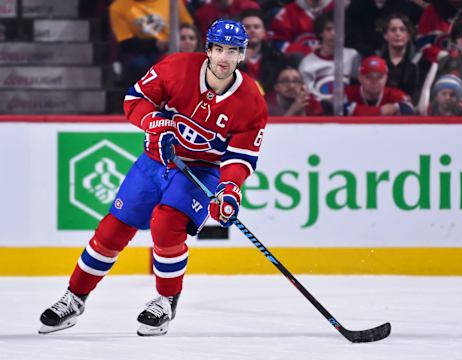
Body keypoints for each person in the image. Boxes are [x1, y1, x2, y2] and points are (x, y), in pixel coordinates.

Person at [39, 19, 268, 337]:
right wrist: (154, 124)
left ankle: (165, 300)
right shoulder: (176, 68)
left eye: (232, 51)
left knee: (167, 224)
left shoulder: (251, 102)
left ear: (242, 55)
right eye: (218, 49)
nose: (224, 58)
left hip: (201, 170)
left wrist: (229, 189)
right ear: (208, 50)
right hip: (155, 160)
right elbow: (134, 100)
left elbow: (240, 157)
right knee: (113, 228)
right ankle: (75, 298)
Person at [109, 0, 194, 86]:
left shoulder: (172, 2)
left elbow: (188, 26)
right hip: (140, 52)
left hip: (174, 47)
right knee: (139, 65)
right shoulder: (118, 7)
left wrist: (177, 41)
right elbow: (126, 42)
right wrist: (156, 44)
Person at [299, 12, 361, 102]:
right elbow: (308, 95)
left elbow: (361, 85)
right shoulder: (307, 63)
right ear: (320, 33)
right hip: (321, 111)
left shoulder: (353, 56)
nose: (333, 33)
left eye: (338, 29)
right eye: (328, 29)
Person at [376, 13, 429, 102]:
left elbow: (421, 91)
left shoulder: (421, 61)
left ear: (408, 35)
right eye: (393, 30)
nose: (398, 33)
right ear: (385, 35)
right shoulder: (376, 59)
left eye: (402, 30)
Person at [340, 56, 415, 116]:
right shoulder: (348, 93)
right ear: (360, 78)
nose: (374, 81)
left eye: (379, 77)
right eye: (369, 77)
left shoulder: (394, 94)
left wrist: (357, 110)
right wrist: (380, 111)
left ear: (386, 78)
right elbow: (340, 109)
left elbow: (410, 110)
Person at [238, 9, 288, 93]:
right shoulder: (227, 58)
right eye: (247, 27)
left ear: (264, 32)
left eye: (256, 27)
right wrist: (237, 64)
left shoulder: (277, 58)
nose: (252, 30)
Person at [269, 0, 334, 56]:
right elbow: (279, 43)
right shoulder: (288, 12)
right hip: (298, 63)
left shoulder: (335, 8)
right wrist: (305, 50)